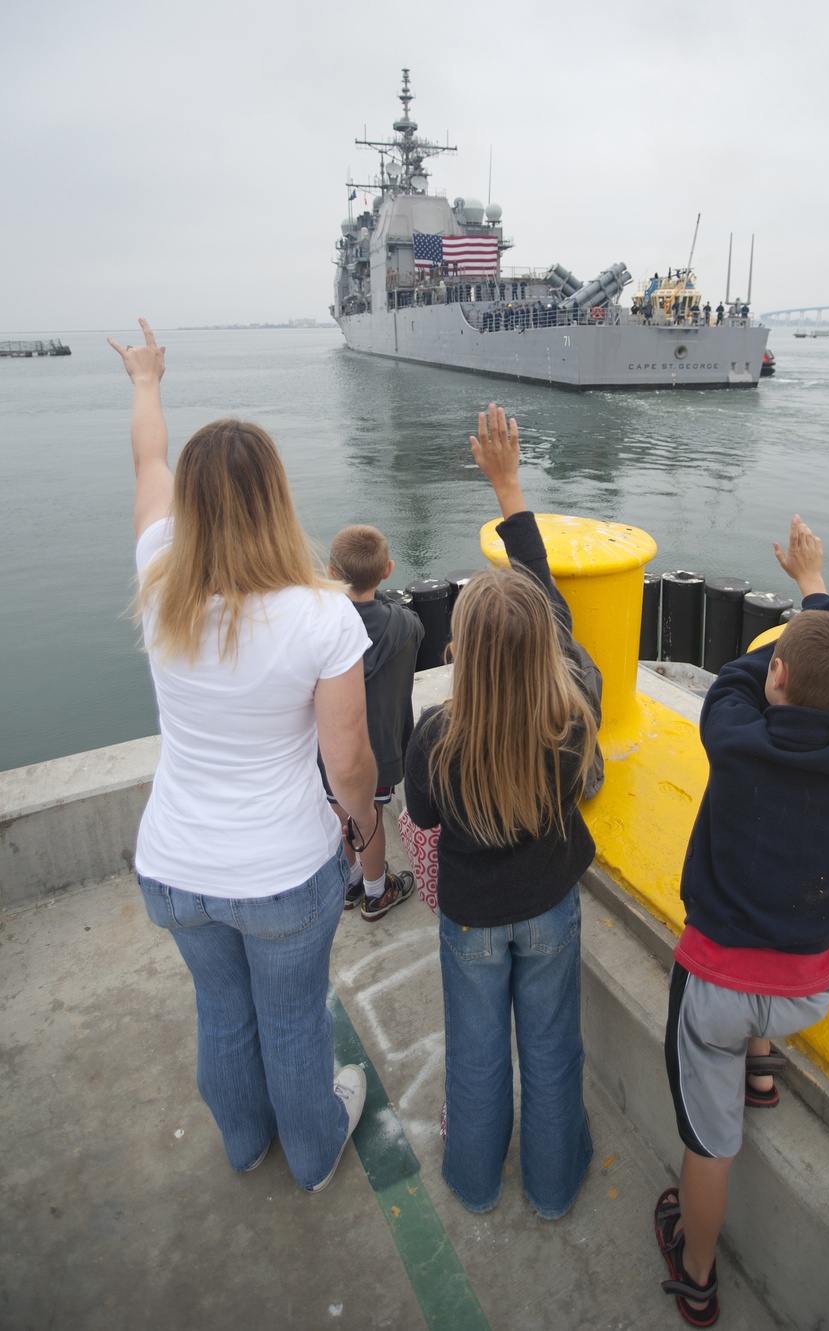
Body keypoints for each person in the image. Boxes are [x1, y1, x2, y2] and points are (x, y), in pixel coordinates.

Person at [108, 319, 376, 1193]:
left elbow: (149, 467)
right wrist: (365, 839)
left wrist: (147, 382)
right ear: (277, 498)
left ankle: (242, 1142)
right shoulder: (322, 614)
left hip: (176, 865)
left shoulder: (158, 579)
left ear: (191, 504)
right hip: (281, 870)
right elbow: (349, 764)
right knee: (294, 1021)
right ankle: (311, 1151)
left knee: (221, 1011)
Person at [655, 515, 829, 1326]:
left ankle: (696, 1275)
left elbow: (737, 669)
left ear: (778, 677)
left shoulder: (731, 729)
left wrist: (801, 621)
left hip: (718, 989)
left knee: (708, 1143)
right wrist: (820, 597)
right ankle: (762, 1071)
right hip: (808, 990)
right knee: (775, 939)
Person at [404, 404, 600, 1220]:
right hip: (550, 907)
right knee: (552, 1051)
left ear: (459, 652)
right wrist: (510, 486)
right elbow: (546, 601)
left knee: (477, 1057)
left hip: (473, 920)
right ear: (545, 649)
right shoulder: (574, 710)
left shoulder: (437, 738)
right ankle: (554, 1190)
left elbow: (422, 819)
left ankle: (476, 1180)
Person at [321, 524, 422, 920]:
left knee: (339, 812)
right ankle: (377, 891)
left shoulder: (319, 627)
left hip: (327, 749)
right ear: (388, 570)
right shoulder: (406, 625)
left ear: (330, 572)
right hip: (378, 751)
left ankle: (347, 882)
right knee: (370, 817)